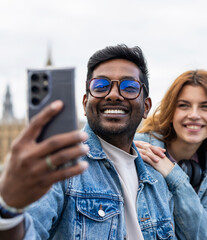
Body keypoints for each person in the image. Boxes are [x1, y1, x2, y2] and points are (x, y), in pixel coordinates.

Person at [0, 44, 176, 239]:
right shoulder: (61, 169)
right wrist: (9, 212)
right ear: (85, 103)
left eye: (129, 87)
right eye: (100, 86)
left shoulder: (157, 180)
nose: (114, 94)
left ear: (146, 107)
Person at [134, 70, 207, 239]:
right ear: (171, 112)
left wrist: (174, 176)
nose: (194, 115)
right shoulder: (137, 149)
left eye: (205, 107)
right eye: (184, 105)